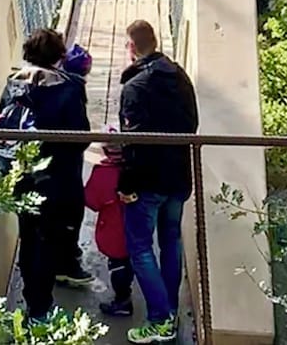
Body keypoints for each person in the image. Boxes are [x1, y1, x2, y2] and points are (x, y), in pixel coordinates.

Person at [0, 28, 93, 323]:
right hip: (55, 177)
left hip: (18, 173)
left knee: (28, 237)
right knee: (48, 241)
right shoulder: (69, 87)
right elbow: (81, 137)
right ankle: (40, 308)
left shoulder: (12, 85)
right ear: (59, 56)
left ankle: (30, 301)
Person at [117, 20, 198, 344]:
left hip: (148, 182)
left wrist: (125, 185)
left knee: (140, 247)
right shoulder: (181, 78)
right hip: (178, 177)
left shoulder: (135, 87)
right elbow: (192, 125)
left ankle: (160, 319)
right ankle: (170, 311)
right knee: (171, 243)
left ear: (132, 48)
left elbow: (133, 142)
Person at [84, 128, 135, 317]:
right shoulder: (137, 169)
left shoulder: (103, 173)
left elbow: (91, 201)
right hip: (136, 226)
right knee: (133, 261)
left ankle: (122, 301)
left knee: (118, 266)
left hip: (113, 231)